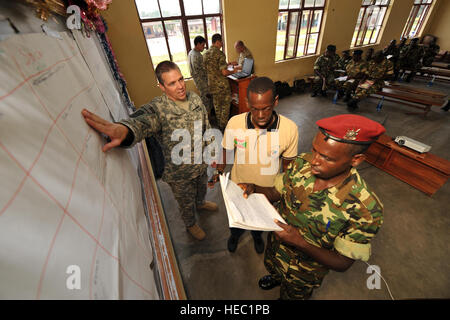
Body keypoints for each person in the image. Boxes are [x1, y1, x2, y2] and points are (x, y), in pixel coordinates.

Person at [238, 114, 385, 300]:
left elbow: (342, 263)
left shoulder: (365, 209)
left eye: (326, 158)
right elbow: (276, 192)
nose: (314, 161)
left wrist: (299, 241)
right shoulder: (301, 164)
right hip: (275, 249)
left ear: (355, 160)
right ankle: (276, 276)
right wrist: (254, 188)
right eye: (314, 150)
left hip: (303, 273)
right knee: (274, 268)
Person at [81, 61, 218, 241]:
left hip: (200, 164)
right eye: (172, 83)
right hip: (180, 173)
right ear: (161, 86)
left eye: (181, 79)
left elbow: (206, 127)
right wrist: (126, 130)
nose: (180, 86)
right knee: (185, 202)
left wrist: (212, 152)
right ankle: (190, 223)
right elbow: (142, 122)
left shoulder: (195, 99)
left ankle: (200, 204)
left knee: (201, 188)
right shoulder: (158, 109)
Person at [210, 77, 299, 254]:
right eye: (254, 108)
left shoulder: (289, 129)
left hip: (266, 190)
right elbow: (226, 150)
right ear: (247, 102)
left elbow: (289, 167)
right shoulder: (235, 123)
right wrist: (218, 171)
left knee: (258, 219)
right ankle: (234, 235)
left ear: (275, 101)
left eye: (266, 108)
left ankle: (257, 236)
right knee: (237, 218)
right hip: (238, 186)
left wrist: (283, 193)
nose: (260, 115)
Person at [204, 33, 241, 131]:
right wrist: (234, 71)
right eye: (221, 42)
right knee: (225, 105)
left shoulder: (205, 54)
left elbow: (212, 67)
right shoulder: (220, 54)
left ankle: (220, 124)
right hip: (222, 86)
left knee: (217, 106)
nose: (222, 44)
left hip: (212, 85)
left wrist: (227, 64)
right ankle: (224, 126)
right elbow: (224, 72)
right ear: (217, 42)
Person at [188, 36, 212, 117]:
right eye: (202, 45)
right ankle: (207, 117)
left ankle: (206, 115)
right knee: (206, 99)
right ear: (197, 44)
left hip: (197, 81)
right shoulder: (197, 55)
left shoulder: (191, 53)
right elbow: (203, 70)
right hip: (202, 81)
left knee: (204, 98)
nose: (204, 47)